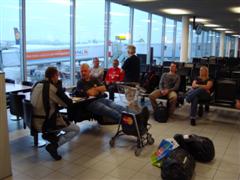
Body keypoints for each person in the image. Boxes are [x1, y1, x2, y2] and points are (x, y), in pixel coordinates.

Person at [31, 67, 80, 160]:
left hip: (33, 121)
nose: (58, 78)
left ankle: (51, 136)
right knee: (76, 129)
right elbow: (67, 103)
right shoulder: (51, 88)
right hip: (45, 122)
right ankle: (54, 145)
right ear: (54, 76)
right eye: (58, 76)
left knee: (61, 119)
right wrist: (59, 89)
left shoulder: (36, 84)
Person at [75, 63, 148, 124]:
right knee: (111, 111)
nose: (83, 73)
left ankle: (138, 116)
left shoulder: (93, 79)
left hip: (100, 99)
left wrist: (95, 89)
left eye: (85, 71)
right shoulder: (80, 82)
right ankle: (131, 122)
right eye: (82, 71)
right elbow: (91, 93)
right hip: (90, 103)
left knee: (118, 107)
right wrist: (96, 90)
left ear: (89, 71)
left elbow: (104, 88)